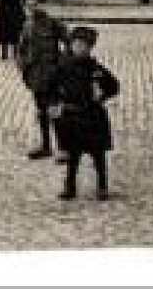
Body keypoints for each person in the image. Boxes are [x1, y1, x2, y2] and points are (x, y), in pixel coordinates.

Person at [50, 25, 120, 201]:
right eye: (77, 44)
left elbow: (114, 86)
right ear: (71, 46)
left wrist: (102, 95)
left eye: (85, 46)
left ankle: (102, 187)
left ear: (90, 49)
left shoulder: (95, 68)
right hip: (72, 117)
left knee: (98, 154)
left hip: (92, 116)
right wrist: (56, 104)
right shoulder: (62, 67)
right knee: (73, 155)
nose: (81, 48)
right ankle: (70, 187)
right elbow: (50, 87)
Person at [16, 0, 69, 161]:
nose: (31, 8)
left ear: (42, 5)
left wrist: (62, 65)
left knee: (55, 111)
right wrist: (23, 67)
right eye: (28, 5)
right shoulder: (27, 25)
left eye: (35, 4)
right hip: (35, 77)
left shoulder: (52, 24)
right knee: (41, 111)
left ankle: (63, 148)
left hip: (52, 76)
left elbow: (69, 41)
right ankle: (46, 146)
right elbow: (21, 49)